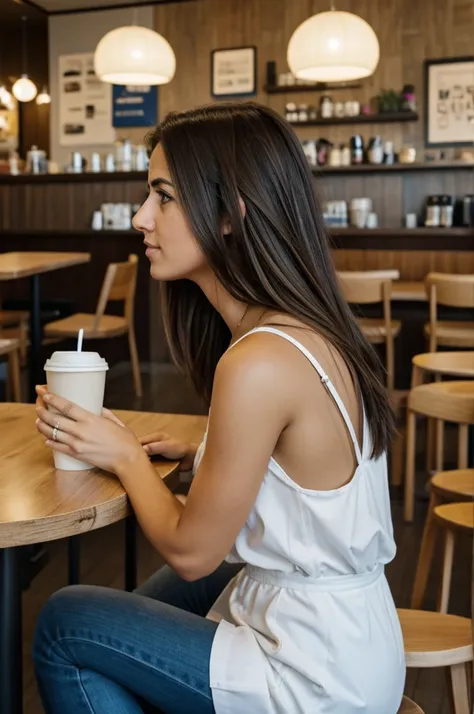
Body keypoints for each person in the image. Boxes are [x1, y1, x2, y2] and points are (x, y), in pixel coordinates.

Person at [34, 102, 405, 714]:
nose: (140, 217)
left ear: (231, 213)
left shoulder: (258, 361)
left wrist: (127, 456)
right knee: (166, 595)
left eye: (163, 196)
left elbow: (190, 550)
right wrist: (204, 452)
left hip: (313, 674)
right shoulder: (304, 330)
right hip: (354, 639)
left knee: (67, 621)